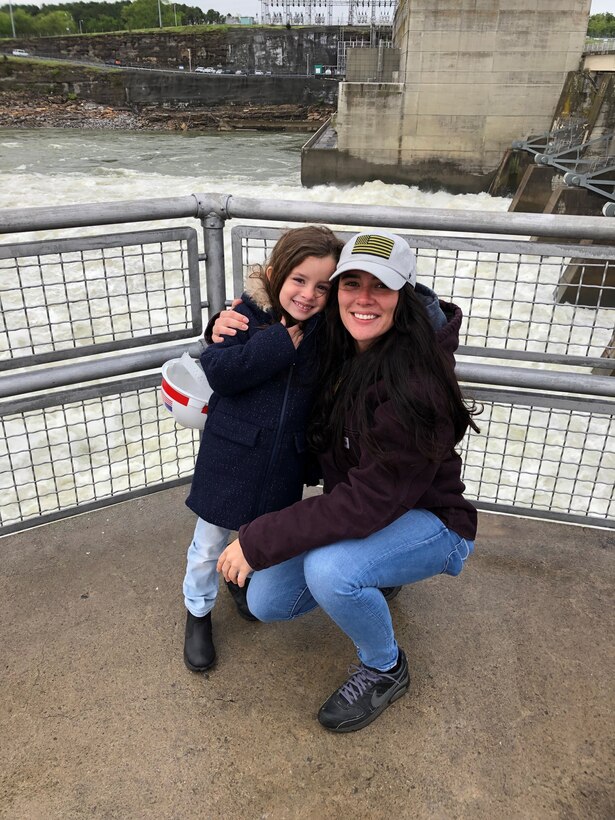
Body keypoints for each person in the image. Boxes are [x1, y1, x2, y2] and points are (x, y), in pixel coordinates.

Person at [216, 230, 480, 733]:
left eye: (379, 286)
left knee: (331, 570)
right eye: (350, 283)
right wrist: (227, 325)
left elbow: (365, 502)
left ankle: (385, 666)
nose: (362, 299)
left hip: (431, 519)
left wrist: (258, 540)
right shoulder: (344, 342)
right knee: (266, 600)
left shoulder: (415, 382)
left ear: (402, 296)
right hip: (379, 509)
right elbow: (278, 321)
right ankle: (381, 572)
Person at [182, 225, 344, 673]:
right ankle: (197, 613)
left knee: (262, 536)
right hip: (230, 456)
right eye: (298, 280)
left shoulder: (326, 331)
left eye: (323, 287)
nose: (308, 295)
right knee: (209, 542)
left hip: (283, 462)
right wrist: (274, 343)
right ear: (274, 274)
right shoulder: (244, 317)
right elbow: (220, 371)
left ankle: (241, 582)